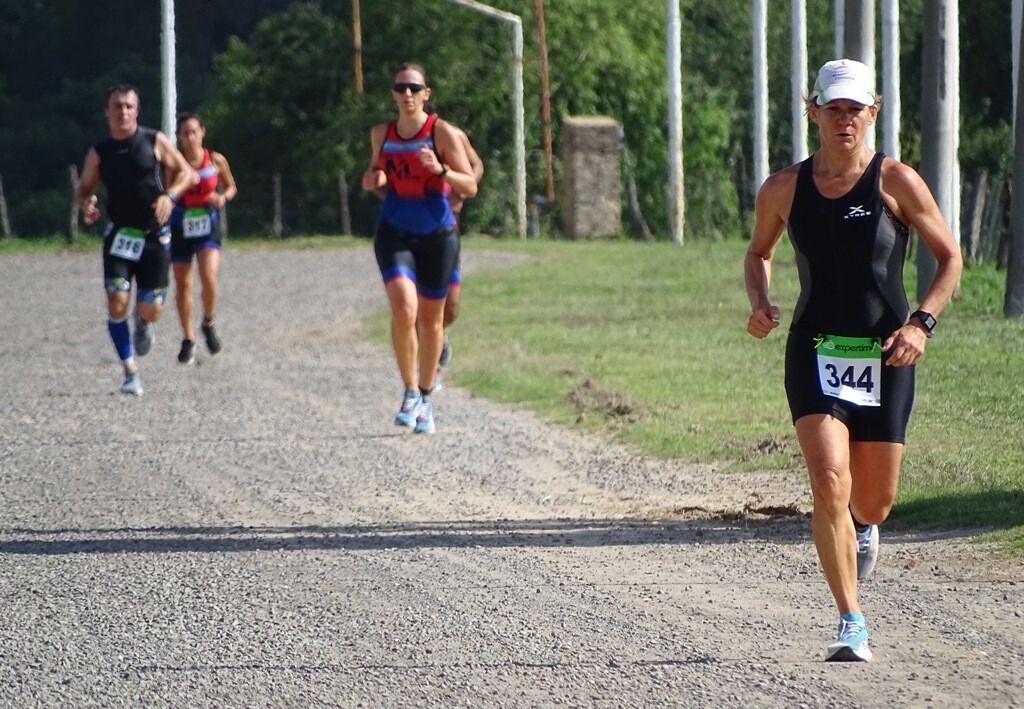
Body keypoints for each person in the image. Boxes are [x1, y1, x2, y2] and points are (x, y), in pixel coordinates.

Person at [743, 59, 962, 662]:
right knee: (828, 481)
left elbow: (950, 259)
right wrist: (760, 301)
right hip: (815, 349)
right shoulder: (784, 188)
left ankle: (865, 529)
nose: (845, 120)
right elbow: (758, 252)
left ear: (875, 111)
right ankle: (851, 621)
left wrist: (922, 323)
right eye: (833, 109)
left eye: (855, 109)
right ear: (813, 111)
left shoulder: (897, 181)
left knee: (873, 501)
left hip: (887, 355)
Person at [362, 63, 477, 434]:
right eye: (401, 88)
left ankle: (426, 397)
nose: (407, 94)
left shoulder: (441, 133)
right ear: (393, 94)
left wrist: (440, 170)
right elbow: (379, 174)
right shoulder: (381, 133)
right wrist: (374, 179)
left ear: (426, 93)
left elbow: (470, 185)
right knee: (403, 309)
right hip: (394, 229)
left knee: (431, 321)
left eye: (415, 88)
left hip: (438, 234)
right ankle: (409, 390)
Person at [78, 84, 196, 395]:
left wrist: (170, 196)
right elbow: (84, 187)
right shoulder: (99, 152)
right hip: (119, 236)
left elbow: (187, 173)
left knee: (151, 309)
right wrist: (86, 202)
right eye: (117, 106)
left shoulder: (154, 140)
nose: (123, 112)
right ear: (107, 112)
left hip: (154, 236)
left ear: (137, 110)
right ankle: (130, 372)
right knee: (117, 303)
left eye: (129, 106)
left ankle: (143, 324)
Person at [168, 111, 237, 364]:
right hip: (180, 223)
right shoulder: (174, 162)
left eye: (194, 132)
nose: (190, 137)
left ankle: (208, 321)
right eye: (185, 133)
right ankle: (188, 338)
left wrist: (222, 197)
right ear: (179, 136)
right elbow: (166, 192)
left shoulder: (215, 160)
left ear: (202, 132)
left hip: (208, 223)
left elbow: (231, 186)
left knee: (208, 276)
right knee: (183, 284)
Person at [432, 123, 485, 388]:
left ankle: (439, 333)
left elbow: (477, 166)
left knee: (450, 308)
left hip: (448, 225)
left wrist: (462, 188)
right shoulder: (403, 140)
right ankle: (430, 367)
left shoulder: (454, 135)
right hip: (414, 226)